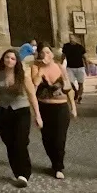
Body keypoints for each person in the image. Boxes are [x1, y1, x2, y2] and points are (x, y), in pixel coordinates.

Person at [0, 48, 40, 187]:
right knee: (9, 143)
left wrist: (38, 115)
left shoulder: (23, 77)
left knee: (20, 142)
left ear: (17, 61)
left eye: (13, 58)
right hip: (4, 111)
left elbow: (32, 96)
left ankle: (24, 173)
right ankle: (17, 172)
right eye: (7, 57)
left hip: (21, 111)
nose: (9, 60)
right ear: (3, 59)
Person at [30, 42, 78, 179]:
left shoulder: (59, 67)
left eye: (48, 52)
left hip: (61, 106)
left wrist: (73, 107)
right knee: (47, 138)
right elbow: (35, 84)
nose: (46, 55)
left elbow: (68, 88)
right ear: (39, 54)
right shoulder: (35, 67)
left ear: (52, 54)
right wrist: (41, 70)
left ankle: (59, 166)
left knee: (60, 138)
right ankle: (53, 162)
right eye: (43, 53)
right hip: (44, 106)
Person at [61, 34, 88, 104]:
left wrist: (87, 68)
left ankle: (79, 96)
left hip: (80, 67)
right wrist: (61, 65)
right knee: (70, 83)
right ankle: (75, 93)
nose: (71, 39)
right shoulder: (66, 46)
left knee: (80, 83)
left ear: (75, 39)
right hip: (70, 68)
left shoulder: (80, 47)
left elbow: (85, 58)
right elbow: (63, 56)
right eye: (70, 38)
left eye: (72, 38)